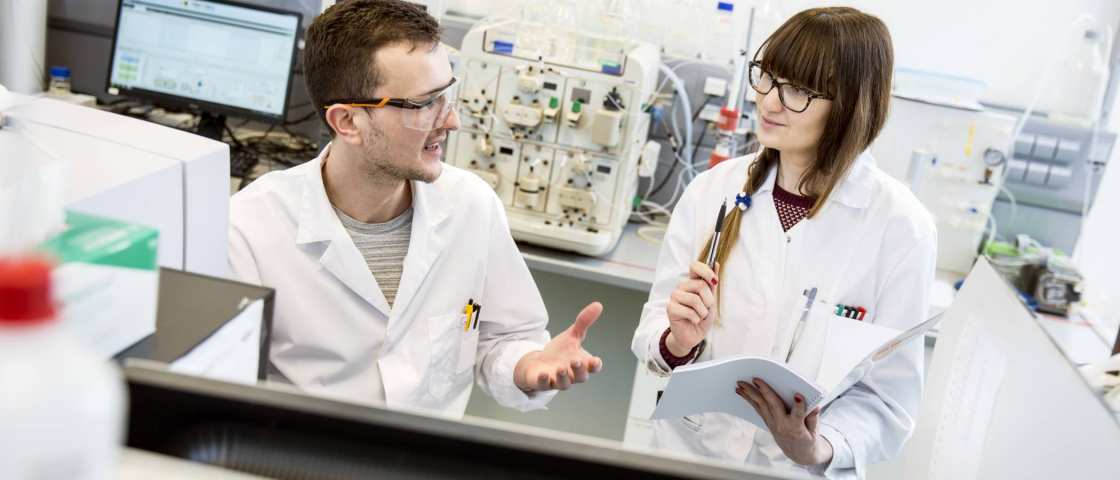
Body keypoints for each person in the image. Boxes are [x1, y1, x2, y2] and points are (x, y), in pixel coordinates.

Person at [228, 0, 603, 417]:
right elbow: (219, 385)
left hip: (424, 456)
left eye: (447, 95)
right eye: (425, 104)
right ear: (348, 121)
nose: (451, 121)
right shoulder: (248, 229)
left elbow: (504, 339)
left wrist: (524, 364)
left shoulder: (471, 207)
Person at [631, 7, 936, 478]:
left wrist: (815, 448)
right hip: (688, 455)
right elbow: (653, 328)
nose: (769, 102)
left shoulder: (900, 228)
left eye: (797, 90)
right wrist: (678, 342)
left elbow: (889, 402)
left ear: (852, 103)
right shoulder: (711, 191)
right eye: (767, 78)